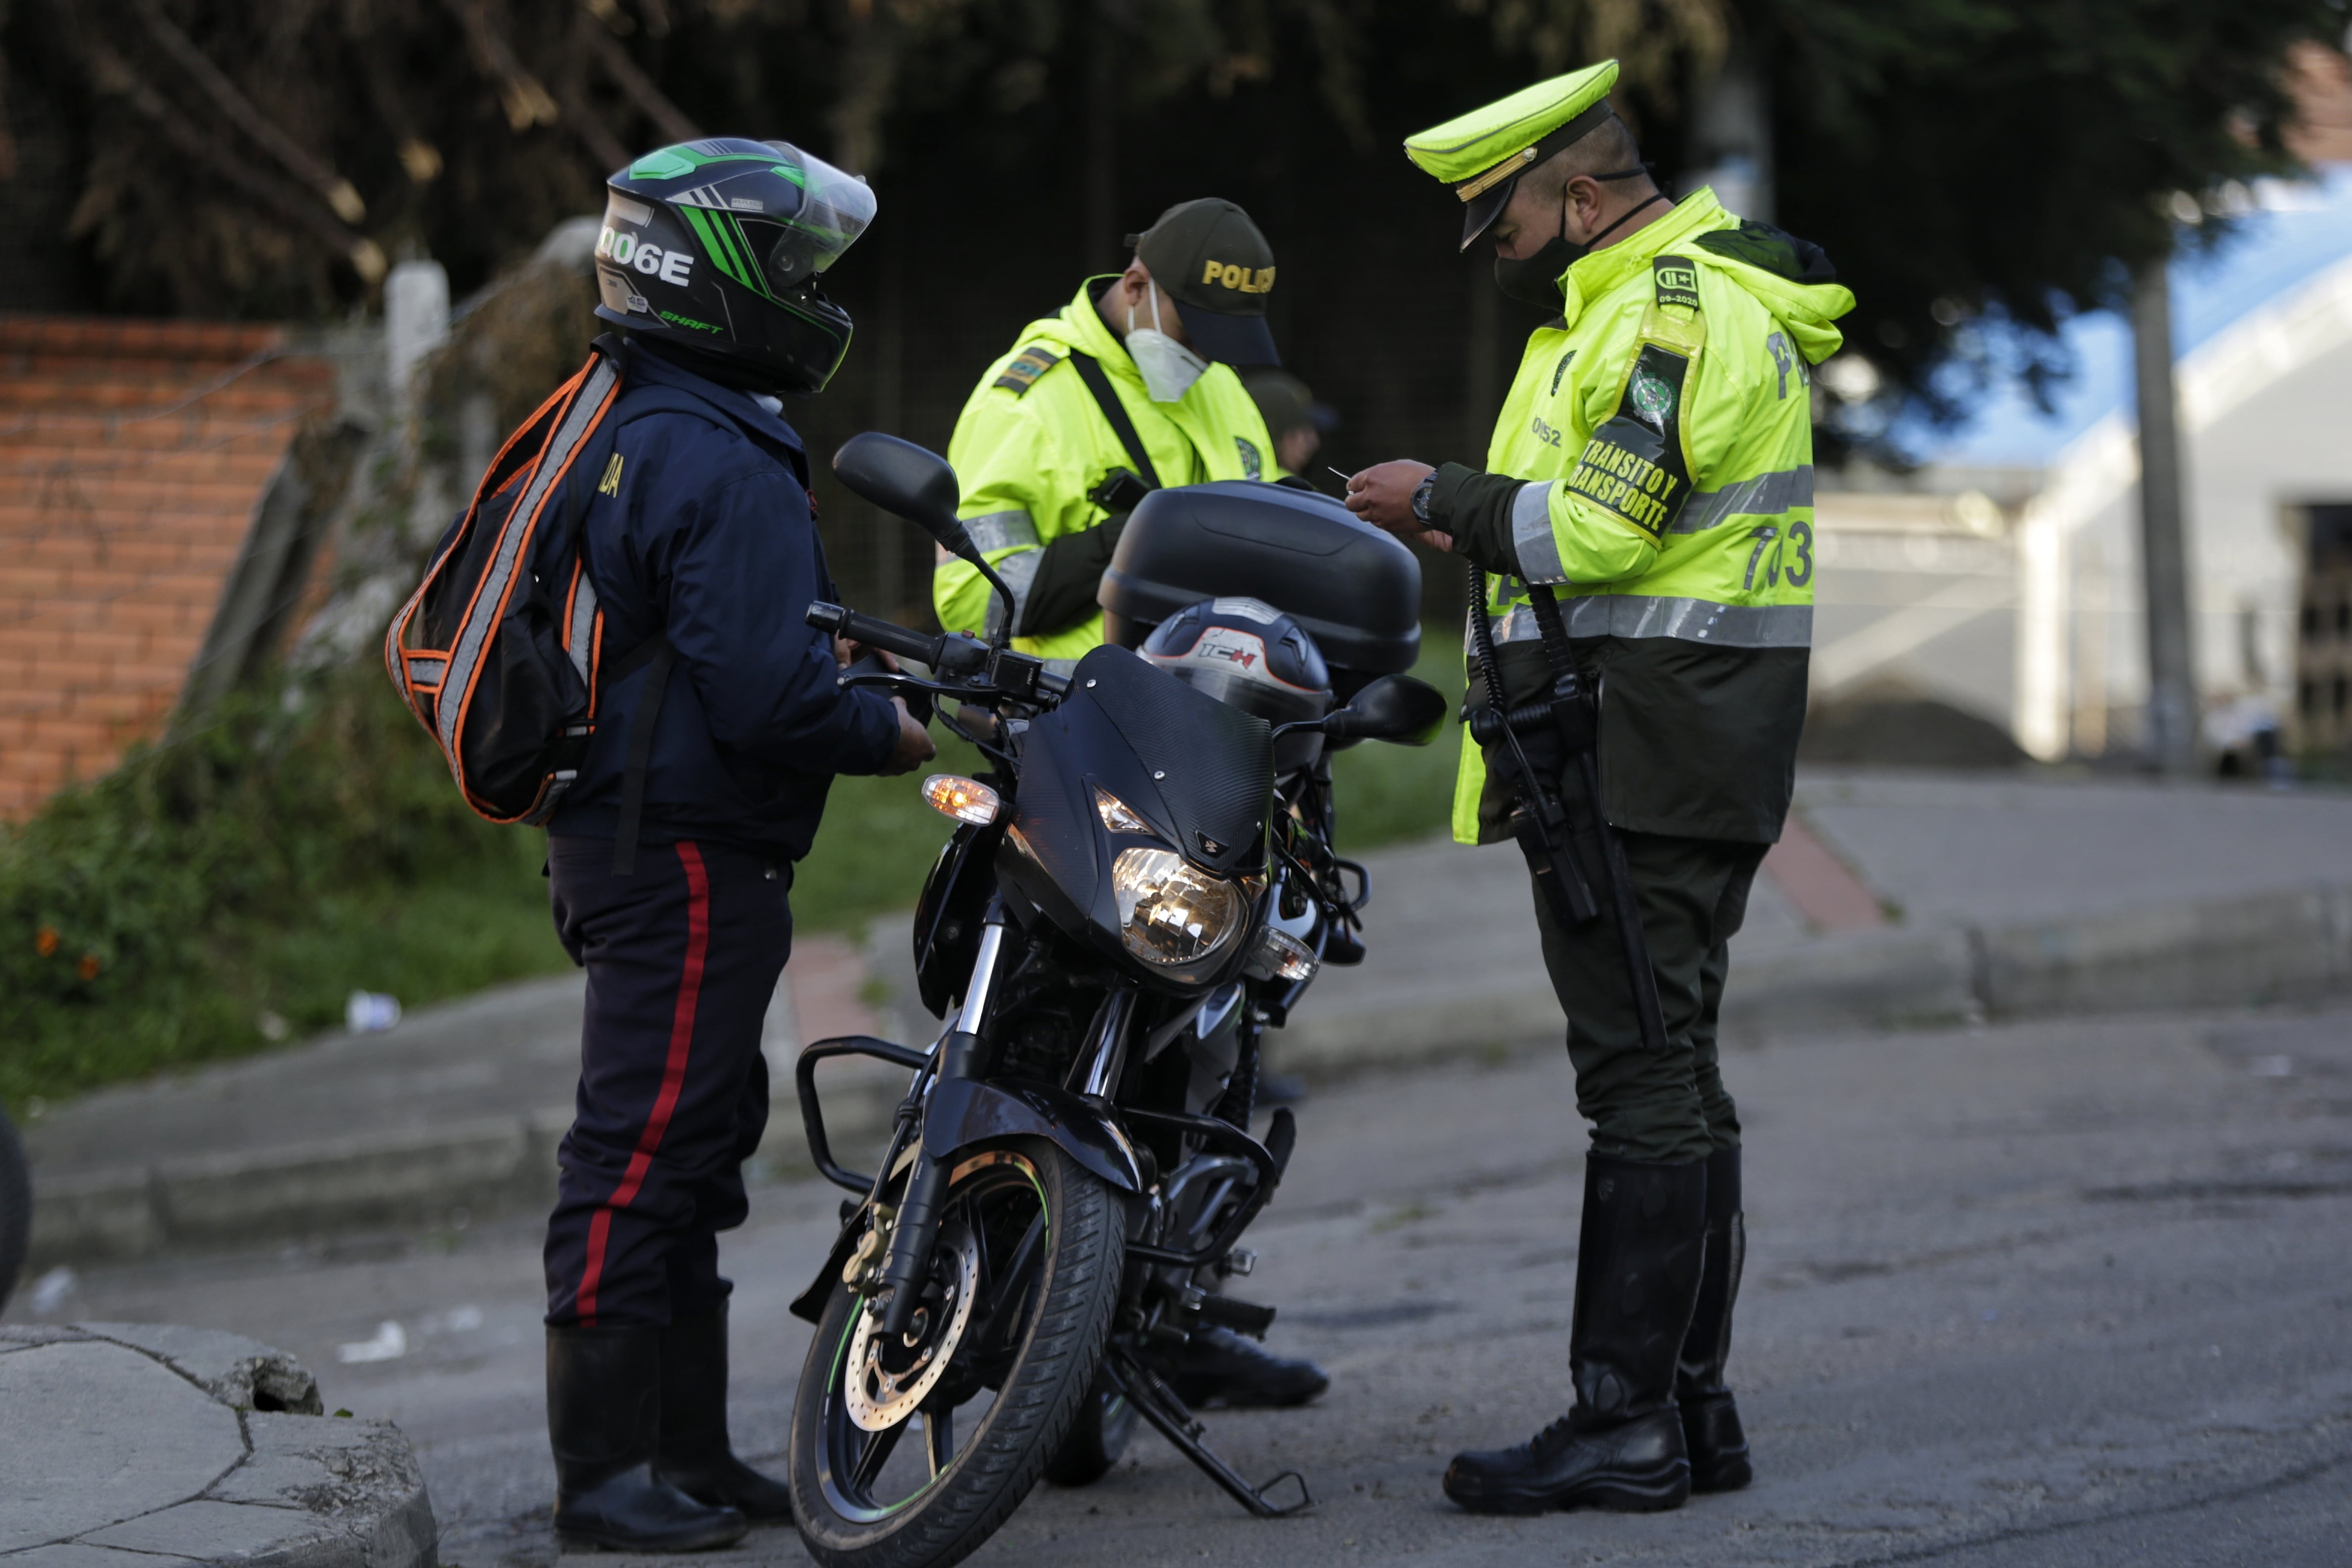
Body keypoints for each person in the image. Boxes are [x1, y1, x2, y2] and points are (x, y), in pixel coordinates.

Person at [1345, 62, 1853, 1515]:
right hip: (1664, 744)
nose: (1492, 247)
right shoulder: (1645, 310)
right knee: (1672, 1065)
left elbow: (1602, 531)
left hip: (1648, 749)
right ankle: (1692, 1411)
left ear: (1576, 191)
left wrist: (1440, 501)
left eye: (1498, 217)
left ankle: (1623, 1421)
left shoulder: (1668, 317)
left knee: (1640, 1078)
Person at [540, 137, 935, 1553]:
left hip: (640, 843)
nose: (812, 290)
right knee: (639, 1151)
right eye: (794, 266)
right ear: (714, 281)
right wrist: (887, 733)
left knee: (693, 1149)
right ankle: (603, 1477)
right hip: (685, 854)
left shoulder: (638, 412)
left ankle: (685, 1452)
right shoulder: (714, 449)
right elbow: (767, 691)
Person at [933, 199, 1286, 664]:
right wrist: (1136, 538)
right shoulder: (1027, 400)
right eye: (1195, 331)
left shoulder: (1220, 383)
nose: (1206, 356)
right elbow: (972, 603)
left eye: (1223, 340)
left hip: (1220, 695)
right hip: (1081, 711)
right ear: (1137, 287)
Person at [1241, 368, 1339, 477]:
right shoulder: (1291, 488)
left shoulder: (1233, 482)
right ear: (1271, 432)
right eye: (1296, 433)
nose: (1314, 443)